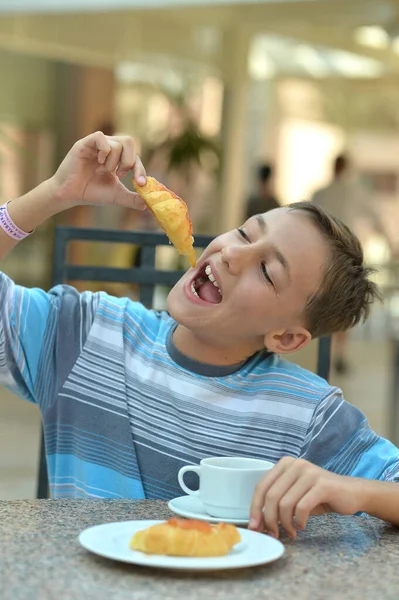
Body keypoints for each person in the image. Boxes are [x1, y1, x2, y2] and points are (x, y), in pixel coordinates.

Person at [1, 132, 399, 542]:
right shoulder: (86, 332)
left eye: (267, 271)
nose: (231, 252)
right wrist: (53, 194)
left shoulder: (306, 416)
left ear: (285, 338)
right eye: (245, 233)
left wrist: (354, 490)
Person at [311, 154, 386, 376]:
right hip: (346, 256)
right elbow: (376, 217)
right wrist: (391, 242)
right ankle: (339, 355)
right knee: (344, 305)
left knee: (323, 303)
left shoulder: (321, 192)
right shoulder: (355, 191)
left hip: (321, 257)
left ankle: (325, 355)